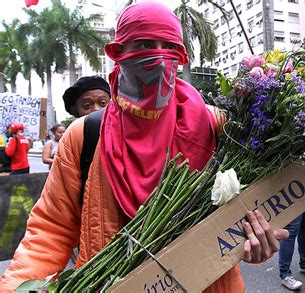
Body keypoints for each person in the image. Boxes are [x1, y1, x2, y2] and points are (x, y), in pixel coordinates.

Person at [0, 3, 288, 291]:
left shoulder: (220, 126)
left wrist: (254, 241)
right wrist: (14, 287)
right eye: (146, 45)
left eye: (170, 47)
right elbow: (51, 230)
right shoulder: (84, 135)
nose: (160, 58)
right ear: (117, 53)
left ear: (181, 58)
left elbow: (247, 213)